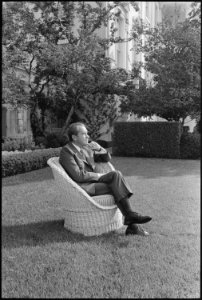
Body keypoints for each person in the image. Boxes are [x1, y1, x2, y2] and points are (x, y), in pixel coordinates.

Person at [59, 122, 152, 236]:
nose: (88, 136)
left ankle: (130, 218)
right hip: (83, 187)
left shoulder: (87, 147)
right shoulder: (67, 151)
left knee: (116, 176)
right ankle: (132, 221)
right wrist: (98, 176)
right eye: (84, 134)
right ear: (74, 137)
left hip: (95, 182)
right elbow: (78, 175)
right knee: (116, 182)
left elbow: (107, 158)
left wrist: (99, 149)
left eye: (87, 134)